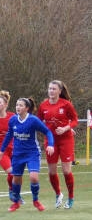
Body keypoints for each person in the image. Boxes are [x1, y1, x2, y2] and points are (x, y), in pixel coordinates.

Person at [0, 97, 55, 212]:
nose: (18, 107)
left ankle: (36, 201)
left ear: (27, 108)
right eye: (17, 105)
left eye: (20, 105)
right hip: (18, 154)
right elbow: (9, 135)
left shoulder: (33, 120)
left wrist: (51, 144)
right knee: (16, 179)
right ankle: (16, 203)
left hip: (32, 153)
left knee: (33, 177)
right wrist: (2, 150)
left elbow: (47, 131)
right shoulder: (13, 120)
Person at [37, 80, 79, 209]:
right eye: (50, 88)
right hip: (50, 142)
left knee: (66, 170)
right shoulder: (43, 105)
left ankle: (70, 197)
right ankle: (58, 194)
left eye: (54, 89)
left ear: (60, 91)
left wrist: (66, 128)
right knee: (51, 171)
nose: (51, 91)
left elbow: (75, 120)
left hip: (66, 140)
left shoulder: (66, 104)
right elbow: (38, 121)